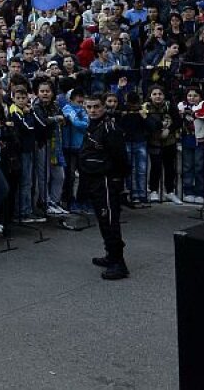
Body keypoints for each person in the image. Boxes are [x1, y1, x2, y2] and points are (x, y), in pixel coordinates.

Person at [79, 97, 130, 280]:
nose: (93, 110)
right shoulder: (93, 126)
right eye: (89, 107)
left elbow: (120, 157)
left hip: (107, 180)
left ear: (104, 107)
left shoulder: (110, 128)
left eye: (96, 107)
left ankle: (118, 262)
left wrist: (116, 179)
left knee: (109, 220)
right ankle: (110, 255)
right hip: (94, 180)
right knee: (103, 219)